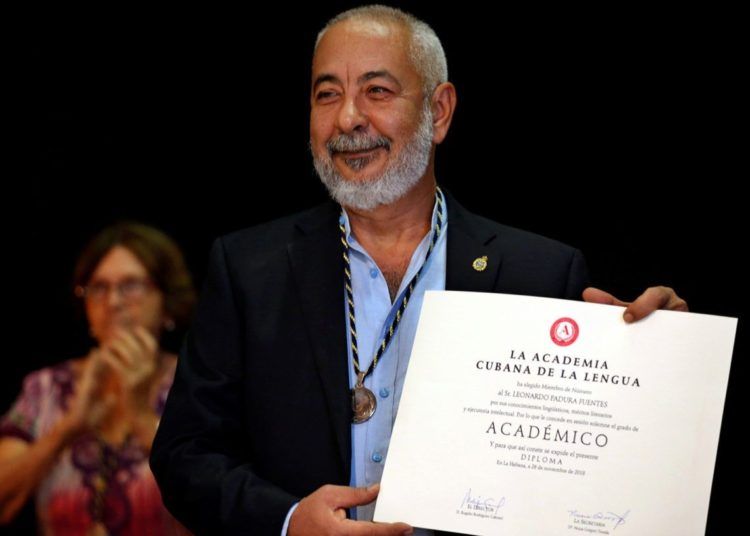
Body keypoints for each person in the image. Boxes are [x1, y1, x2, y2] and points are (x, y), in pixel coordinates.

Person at [150, 5, 689, 536]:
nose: (348, 118)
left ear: (440, 111)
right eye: (327, 93)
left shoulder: (539, 274)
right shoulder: (248, 269)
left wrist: (658, 354)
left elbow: (595, 472)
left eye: (376, 91)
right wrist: (288, 522)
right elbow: (185, 457)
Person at [0, 222, 196, 535]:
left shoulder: (197, 383)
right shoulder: (47, 388)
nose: (113, 302)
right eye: (99, 288)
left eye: (131, 285)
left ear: (167, 302)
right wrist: (68, 427)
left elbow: (218, 512)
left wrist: (143, 417)